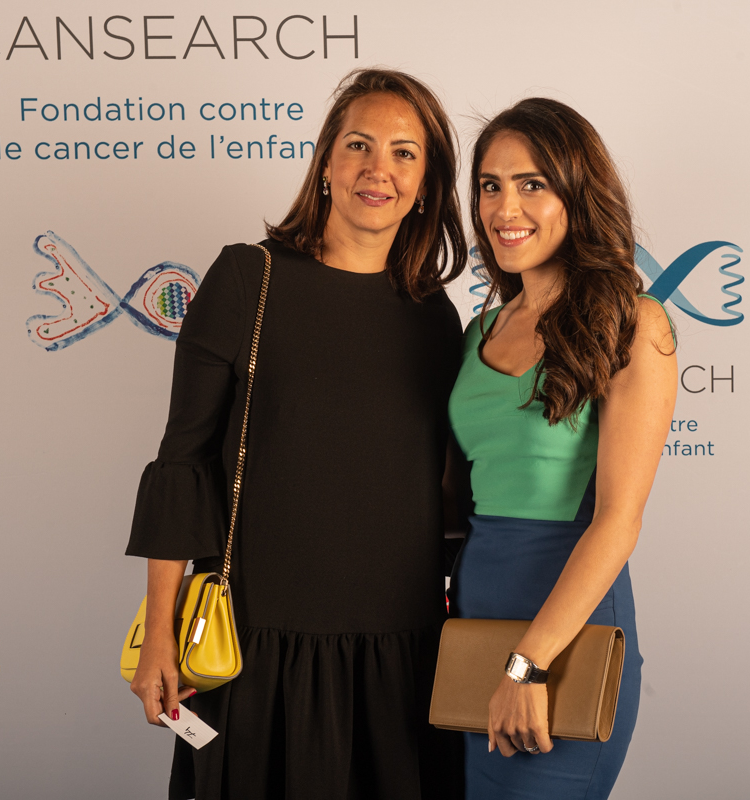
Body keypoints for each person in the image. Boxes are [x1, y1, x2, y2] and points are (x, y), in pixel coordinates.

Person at [125, 68, 467, 800]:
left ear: (426, 185)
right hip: (254, 644)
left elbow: (438, 488)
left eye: (405, 153)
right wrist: (159, 633)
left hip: (401, 653)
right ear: (326, 164)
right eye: (359, 145)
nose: (379, 169)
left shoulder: (437, 318)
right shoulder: (246, 279)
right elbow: (184, 462)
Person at [446, 98, 677, 799]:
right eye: (490, 186)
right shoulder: (481, 330)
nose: (505, 207)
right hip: (471, 627)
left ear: (578, 193)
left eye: (532, 184)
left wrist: (529, 665)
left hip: (565, 637)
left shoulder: (633, 323)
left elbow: (619, 521)